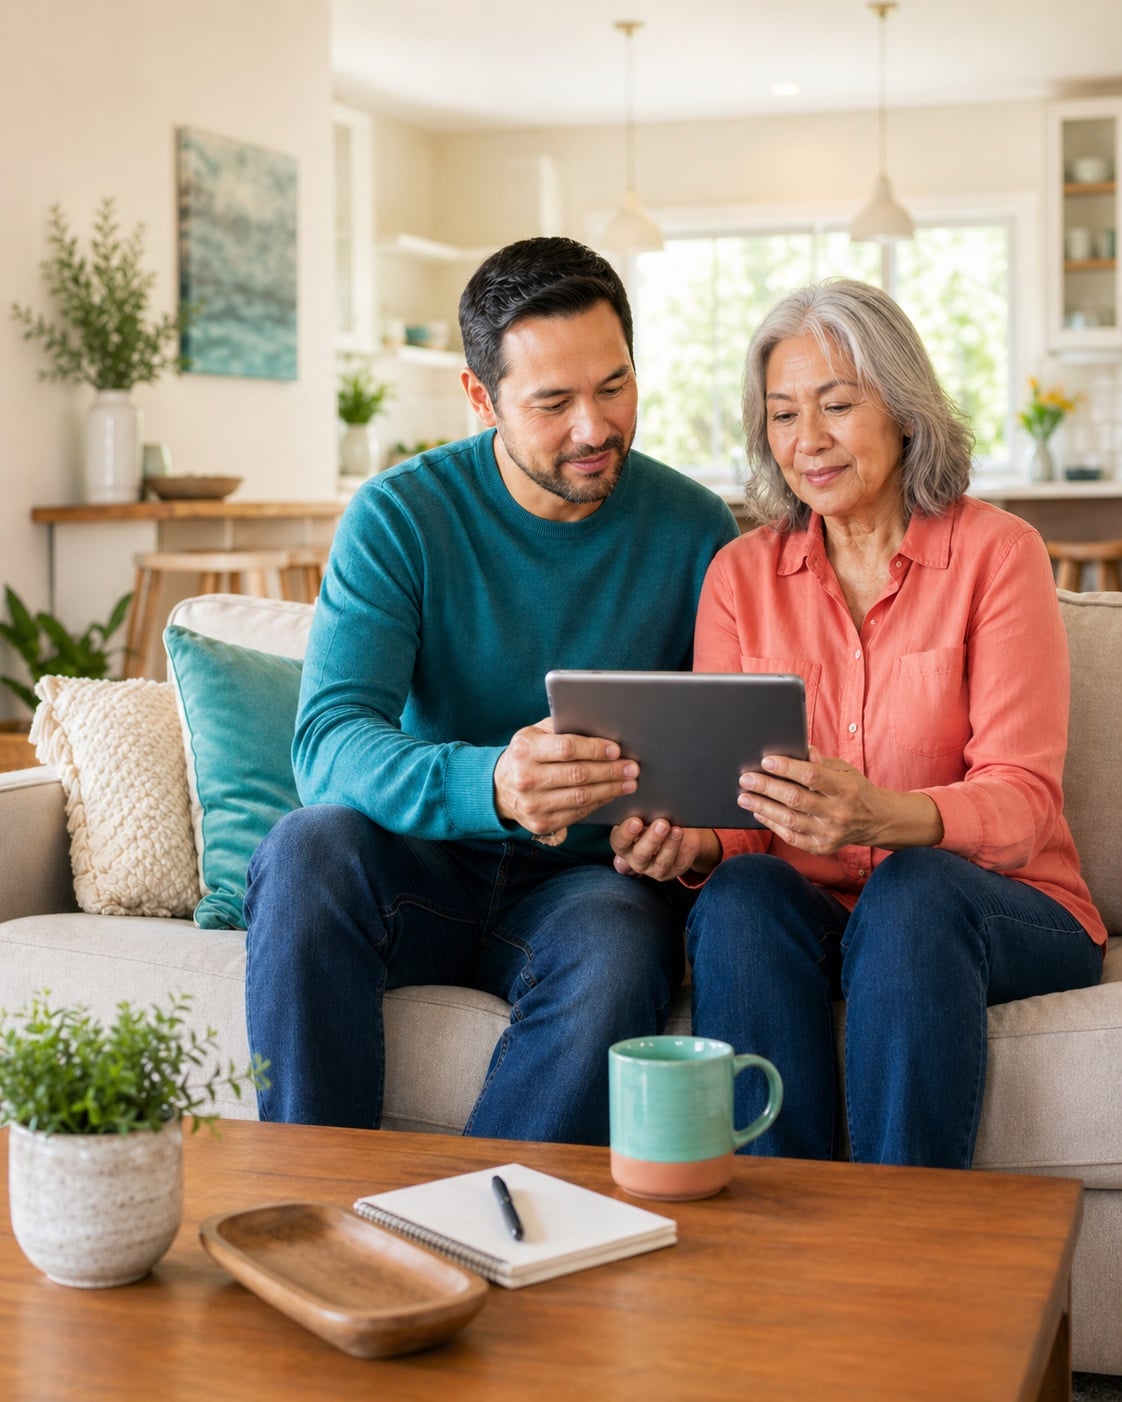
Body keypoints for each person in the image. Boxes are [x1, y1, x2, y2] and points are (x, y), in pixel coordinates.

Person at [243, 236, 739, 1141]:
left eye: (614, 386)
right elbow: (329, 740)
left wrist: (686, 835)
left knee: (624, 945)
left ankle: (488, 1213)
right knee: (308, 847)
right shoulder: (400, 515)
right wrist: (493, 785)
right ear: (481, 398)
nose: (594, 428)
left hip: (590, 883)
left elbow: (721, 749)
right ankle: (311, 1195)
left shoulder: (696, 529)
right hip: (420, 864)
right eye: (553, 402)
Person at [610, 279, 1106, 1170]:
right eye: (784, 414)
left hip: (1002, 907)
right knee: (739, 895)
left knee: (912, 890)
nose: (809, 439)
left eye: (837, 405)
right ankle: (779, 1219)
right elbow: (739, 818)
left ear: (905, 412)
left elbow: (1023, 801)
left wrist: (881, 816)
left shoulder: (999, 555)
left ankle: (901, 1223)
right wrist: (689, 843)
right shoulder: (739, 577)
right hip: (819, 911)